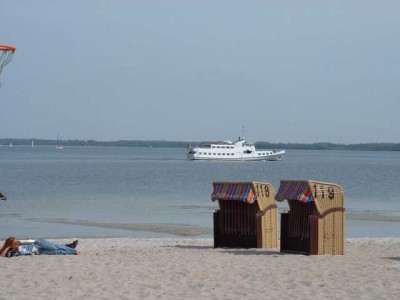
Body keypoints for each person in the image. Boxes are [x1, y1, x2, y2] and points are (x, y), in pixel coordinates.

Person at [1, 237, 80, 257]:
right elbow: (2, 256)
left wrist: (19, 243)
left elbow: (29, 242)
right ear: (11, 245)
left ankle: (71, 248)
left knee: (55, 247)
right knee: (57, 251)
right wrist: (7, 246)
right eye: (15, 242)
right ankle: (72, 250)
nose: (17, 243)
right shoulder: (12, 252)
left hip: (38, 244)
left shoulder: (19, 245)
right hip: (39, 252)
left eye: (16, 241)